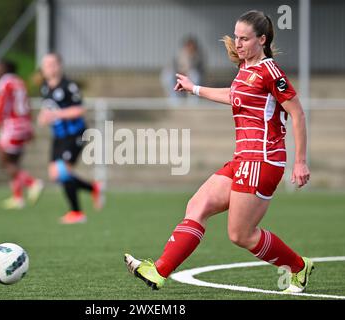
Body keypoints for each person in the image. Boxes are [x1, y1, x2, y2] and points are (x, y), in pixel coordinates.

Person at [125, 10, 314, 294]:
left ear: (262, 40)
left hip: (263, 160)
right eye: (236, 37)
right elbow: (233, 95)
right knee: (196, 205)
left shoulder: (270, 71)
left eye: (245, 38)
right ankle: (159, 270)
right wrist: (194, 89)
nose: (238, 44)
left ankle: (298, 266)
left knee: (240, 234)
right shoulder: (245, 69)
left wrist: (299, 162)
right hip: (242, 159)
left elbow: (297, 113)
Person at [37, 53, 103, 224]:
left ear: (59, 66)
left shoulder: (68, 86)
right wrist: (43, 117)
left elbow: (80, 110)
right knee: (55, 175)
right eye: (46, 65)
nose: (49, 68)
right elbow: (47, 109)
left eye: (52, 64)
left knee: (63, 171)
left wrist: (56, 114)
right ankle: (93, 187)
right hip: (59, 136)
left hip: (75, 133)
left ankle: (76, 212)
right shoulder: (45, 87)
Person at [0, 59, 44, 209]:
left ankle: (32, 183)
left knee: (4, 162)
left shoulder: (4, 83)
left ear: (5, 69)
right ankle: (18, 198)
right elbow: (27, 105)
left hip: (11, 125)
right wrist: (30, 127)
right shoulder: (19, 82)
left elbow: (1, 107)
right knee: (15, 163)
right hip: (24, 124)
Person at [161, 35, 205, 103]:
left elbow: (200, 71)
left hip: (190, 78)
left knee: (194, 74)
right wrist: (179, 74)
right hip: (179, 76)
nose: (190, 47)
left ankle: (193, 102)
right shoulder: (179, 54)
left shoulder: (198, 56)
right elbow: (173, 67)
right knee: (167, 76)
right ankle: (174, 102)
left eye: (192, 45)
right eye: (188, 45)